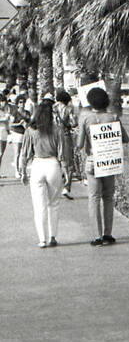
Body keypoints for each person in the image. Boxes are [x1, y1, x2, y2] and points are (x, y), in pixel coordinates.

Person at [75, 86, 129, 246]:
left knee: (94, 198)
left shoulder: (85, 118)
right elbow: (125, 138)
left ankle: (96, 236)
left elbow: (79, 144)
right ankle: (108, 234)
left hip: (92, 161)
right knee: (108, 198)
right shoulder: (113, 117)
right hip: (109, 162)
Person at [19, 99, 68, 248]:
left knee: (38, 206)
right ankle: (53, 236)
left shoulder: (31, 130)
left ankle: (42, 239)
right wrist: (65, 170)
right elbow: (62, 153)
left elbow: (25, 153)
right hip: (53, 164)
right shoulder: (57, 129)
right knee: (54, 204)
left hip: (37, 165)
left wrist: (23, 171)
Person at [53, 90, 78, 198]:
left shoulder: (53, 108)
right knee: (68, 162)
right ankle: (66, 186)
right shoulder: (69, 109)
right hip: (65, 135)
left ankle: (54, 187)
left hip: (54, 135)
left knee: (56, 161)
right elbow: (73, 123)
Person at [8, 94, 30, 179]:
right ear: (17, 103)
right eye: (20, 102)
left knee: (24, 153)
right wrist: (19, 124)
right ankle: (17, 171)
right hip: (17, 133)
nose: (22, 104)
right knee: (17, 153)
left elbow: (30, 123)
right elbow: (11, 124)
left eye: (23, 102)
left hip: (25, 134)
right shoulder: (15, 112)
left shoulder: (27, 112)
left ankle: (22, 170)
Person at [0, 92, 11, 176]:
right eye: (2, 101)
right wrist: (4, 119)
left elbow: (7, 122)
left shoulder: (5, 110)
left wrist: (8, 131)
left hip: (4, 133)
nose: (3, 103)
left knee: (1, 154)